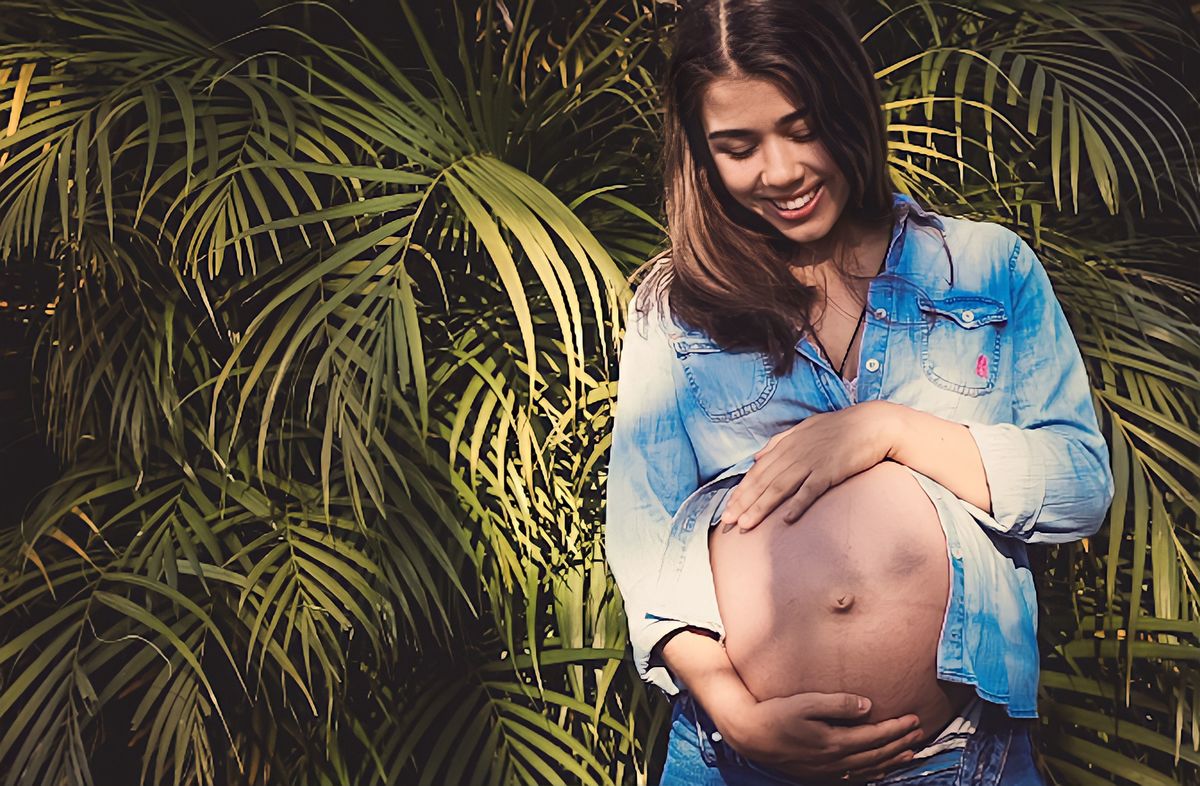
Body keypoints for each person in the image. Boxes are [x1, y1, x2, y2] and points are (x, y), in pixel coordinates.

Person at [602, 1, 1116, 784]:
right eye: (738, 147)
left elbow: (1080, 488)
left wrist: (889, 429)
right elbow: (644, 538)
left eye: (803, 128)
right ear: (701, 155)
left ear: (848, 105)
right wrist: (739, 715)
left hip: (958, 762)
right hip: (731, 760)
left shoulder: (988, 268)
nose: (780, 172)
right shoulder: (675, 310)